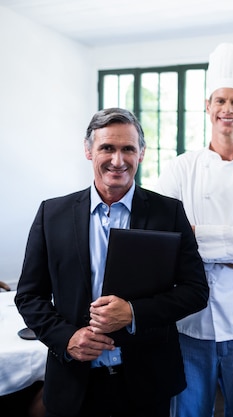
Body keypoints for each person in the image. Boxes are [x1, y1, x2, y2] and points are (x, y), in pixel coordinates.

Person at [14, 107, 209, 417]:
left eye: (127, 149)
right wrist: (67, 338)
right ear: (89, 150)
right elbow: (29, 296)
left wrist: (133, 313)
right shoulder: (52, 214)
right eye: (107, 147)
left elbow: (196, 290)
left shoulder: (168, 213)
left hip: (147, 383)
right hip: (74, 382)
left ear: (141, 153)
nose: (117, 160)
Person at [156, 42, 233, 417]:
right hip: (190, 323)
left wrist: (197, 239)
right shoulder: (182, 168)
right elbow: (165, 240)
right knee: (189, 412)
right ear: (207, 107)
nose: (228, 110)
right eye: (220, 101)